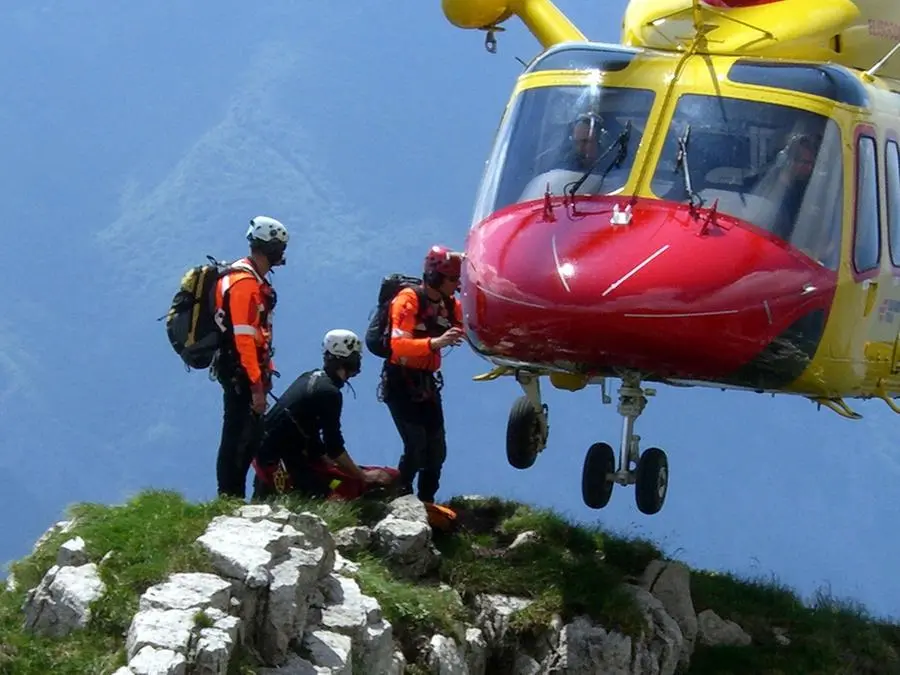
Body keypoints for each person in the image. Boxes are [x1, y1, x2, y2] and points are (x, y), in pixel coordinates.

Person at [251, 329, 389, 500]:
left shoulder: (311, 377)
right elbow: (334, 447)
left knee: (335, 480)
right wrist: (363, 476)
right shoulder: (329, 393)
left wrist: (322, 456)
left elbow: (305, 428)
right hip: (281, 462)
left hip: (270, 455)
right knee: (336, 491)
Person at [379, 245, 465, 504]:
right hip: (400, 381)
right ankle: (400, 497)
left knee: (437, 450)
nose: (456, 284)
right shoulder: (408, 300)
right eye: (452, 279)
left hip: (427, 383)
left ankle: (427, 501)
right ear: (436, 277)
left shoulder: (450, 305)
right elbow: (398, 345)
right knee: (416, 447)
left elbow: (466, 324)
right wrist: (436, 343)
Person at [211, 215, 289, 499]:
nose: (283, 253)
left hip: (243, 368)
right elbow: (244, 338)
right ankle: (229, 496)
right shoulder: (244, 283)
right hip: (241, 371)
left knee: (247, 434)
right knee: (238, 435)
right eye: (280, 246)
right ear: (268, 247)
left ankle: (231, 496)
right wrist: (256, 384)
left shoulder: (246, 277)